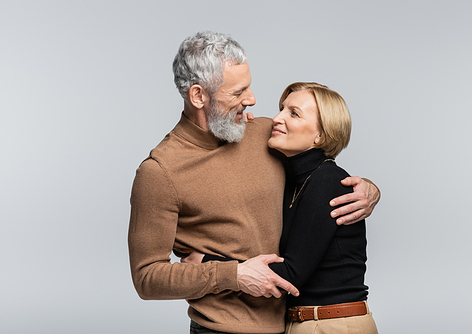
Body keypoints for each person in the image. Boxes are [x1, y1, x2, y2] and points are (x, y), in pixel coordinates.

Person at [128, 31, 380, 334]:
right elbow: (147, 278)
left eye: (248, 87)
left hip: (290, 325)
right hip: (220, 330)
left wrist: (368, 188)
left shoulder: (266, 135)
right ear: (198, 96)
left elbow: (319, 171)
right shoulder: (160, 172)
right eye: (237, 92)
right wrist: (231, 275)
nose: (252, 100)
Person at [192, 82, 378, 333]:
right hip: (302, 322)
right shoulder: (294, 180)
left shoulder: (328, 181)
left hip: (333, 325)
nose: (276, 118)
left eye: (294, 113)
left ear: (320, 135)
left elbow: (289, 274)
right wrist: (238, 129)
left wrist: (206, 261)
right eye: (281, 109)